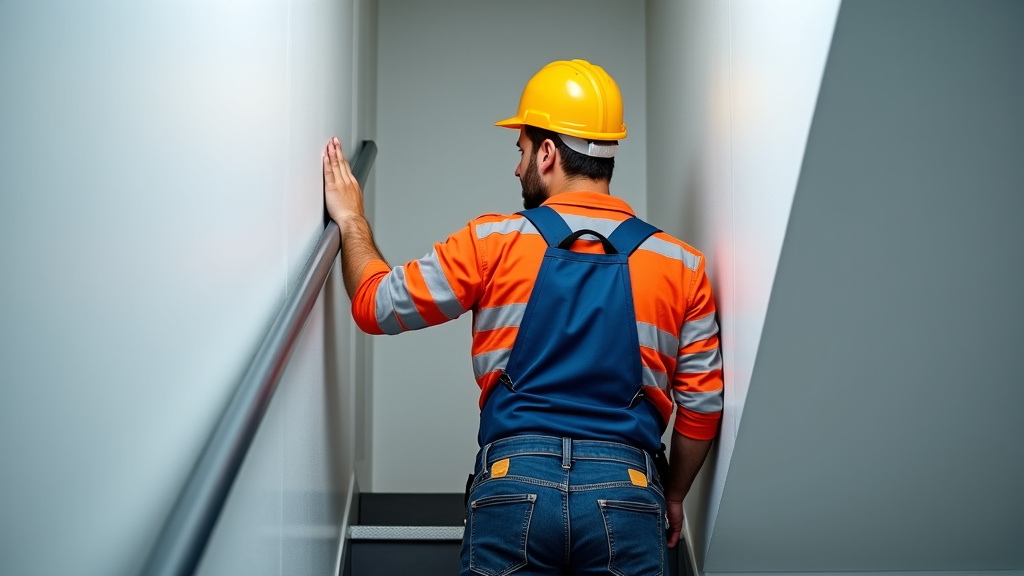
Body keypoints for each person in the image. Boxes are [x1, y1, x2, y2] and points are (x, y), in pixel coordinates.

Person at [323, 59, 723, 576]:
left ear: (549, 153)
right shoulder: (682, 265)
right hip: (629, 493)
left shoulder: (493, 241)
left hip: (512, 488)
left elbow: (374, 305)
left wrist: (352, 219)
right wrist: (672, 495)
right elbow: (702, 409)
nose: (518, 167)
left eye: (522, 151)